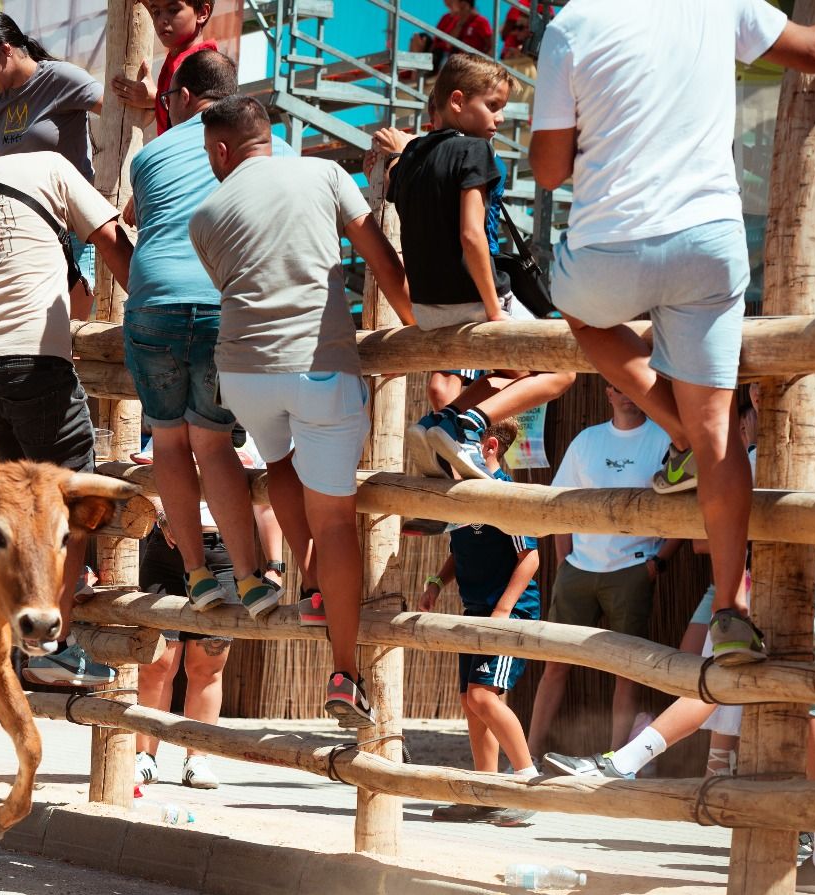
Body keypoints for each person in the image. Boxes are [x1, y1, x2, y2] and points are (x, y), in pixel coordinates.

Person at [529, 0, 815, 667]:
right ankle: (729, 609)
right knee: (719, 432)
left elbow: (548, 170)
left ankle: (676, 430)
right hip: (708, 245)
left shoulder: (572, 25)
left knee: (579, 313)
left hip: (610, 244)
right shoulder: (720, 3)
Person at [547, 373, 815, 895]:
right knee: (714, 683)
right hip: (760, 594)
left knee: (808, 717)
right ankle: (626, 763)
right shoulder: (761, 460)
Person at [189, 94, 413, 726]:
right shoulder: (325, 174)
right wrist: (419, 327)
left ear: (222, 149)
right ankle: (345, 673)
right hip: (319, 364)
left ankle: (311, 588)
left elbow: (233, 284)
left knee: (280, 461)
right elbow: (381, 260)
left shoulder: (206, 213)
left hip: (242, 372)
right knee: (338, 520)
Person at [0, 100, 135, 688]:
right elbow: (113, 240)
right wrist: (145, 307)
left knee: (17, 507)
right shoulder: (46, 167)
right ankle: (50, 647)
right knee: (65, 498)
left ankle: (13, 635)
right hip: (29, 360)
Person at [121, 49, 283, 621]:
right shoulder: (269, 147)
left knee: (168, 440)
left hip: (153, 305)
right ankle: (250, 577)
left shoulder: (153, 151)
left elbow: (137, 217)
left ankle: (194, 573)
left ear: (185, 97)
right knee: (213, 443)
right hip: (223, 305)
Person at [381, 53, 573, 481]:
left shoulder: (410, 158)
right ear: (456, 101)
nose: (500, 118)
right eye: (492, 105)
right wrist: (493, 308)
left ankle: (444, 422)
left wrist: (394, 154)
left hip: (428, 307)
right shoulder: (476, 151)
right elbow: (471, 235)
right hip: (473, 298)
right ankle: (464, 423)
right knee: (562, 371)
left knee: (514, 372)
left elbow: (391, 184)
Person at [525, 384, 675, 758]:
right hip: (578, 568)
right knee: (556, 663)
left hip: (633, 568)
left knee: (627, 671)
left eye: (635, 388)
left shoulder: (663, 440)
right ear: (607, 392)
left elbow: (685, 508)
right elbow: (561, 501)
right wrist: (564, 560)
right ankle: (528, 754)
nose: (627, 395)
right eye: (619, 388)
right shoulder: (586, 440)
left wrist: (657, 563)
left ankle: (614, 757)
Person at [418, 417, 539, 823]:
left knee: (484, 697)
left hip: (508, 612)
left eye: (452, 448)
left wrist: (503, 611)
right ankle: (487, 792)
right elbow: (461, 548)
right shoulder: (461, 497)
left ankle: (527, 787)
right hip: (476, 610)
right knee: (471, 702)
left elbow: (531, 556)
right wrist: (437, 580)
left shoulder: (506, 492)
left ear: (488, 448)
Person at [0, 10, 104, 310]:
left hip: (73, 229)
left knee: (77, 332)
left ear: (5, 50)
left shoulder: (60, 78)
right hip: (26, 235)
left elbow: (116, 111)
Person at [133, 503, 237, 791]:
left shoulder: (251, 453)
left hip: (222, 548)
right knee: (156, 662)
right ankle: (144, 757)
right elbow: (148, 475)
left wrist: (275, 566)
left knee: (207, 666)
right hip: (166, 546)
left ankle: (198, 758)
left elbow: (267, 505)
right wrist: (162, 513)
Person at [109, 0, 217, 136]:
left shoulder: (200, 66)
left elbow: (195, 128)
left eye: (173, 10)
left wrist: (156, 98)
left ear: (202, 13)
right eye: (156, 12)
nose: (161, 21)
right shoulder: (181, 56)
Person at [433, 0, 495, 67]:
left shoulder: (481, 21)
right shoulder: (458, 22)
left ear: (464, 5)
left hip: (473, 64)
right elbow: (448, 44)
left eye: (454, 4)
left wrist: (483, 64)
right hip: (457, 62)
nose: (452, 8)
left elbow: (492, 46)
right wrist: (461, 23)